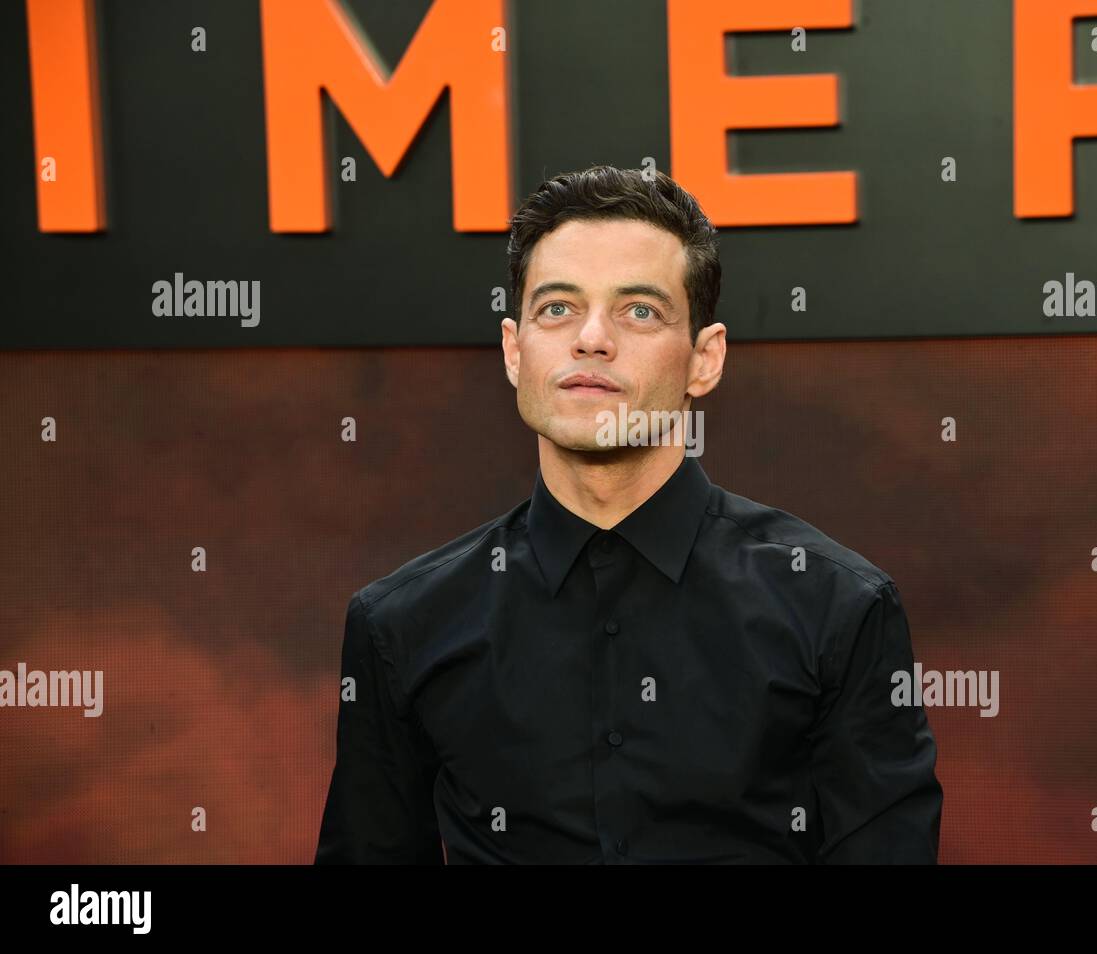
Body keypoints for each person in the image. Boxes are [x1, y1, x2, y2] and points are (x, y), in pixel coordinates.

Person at [315, 165, 942, 864]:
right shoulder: (402, 624)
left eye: (638, 311)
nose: (591, 339)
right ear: (514, 351)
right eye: (556, 308)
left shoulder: (839, 609)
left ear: (705, 359)